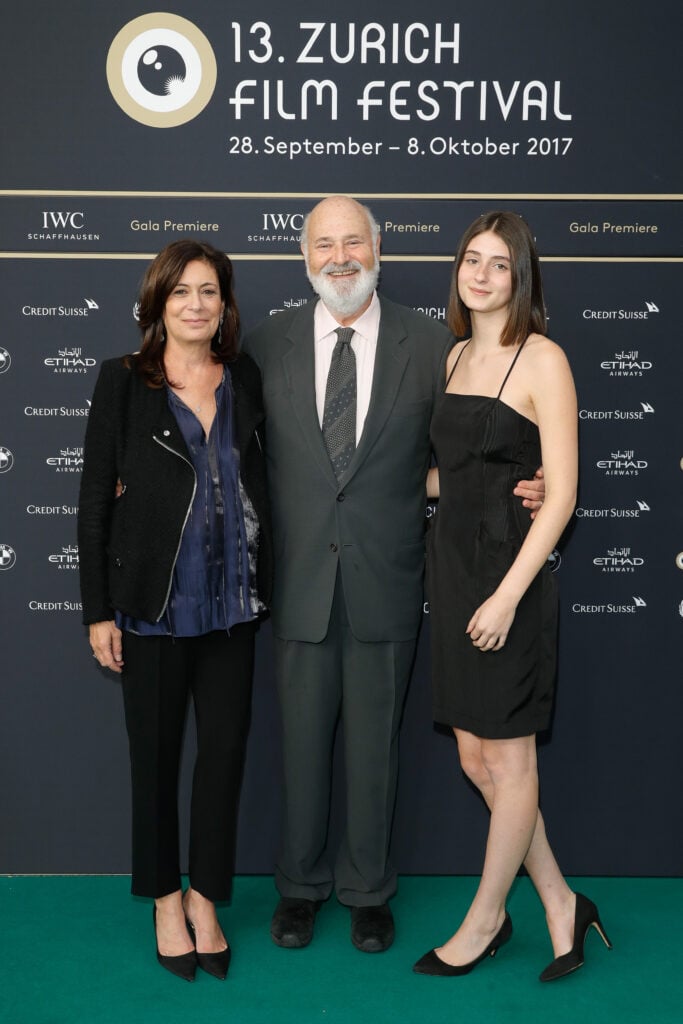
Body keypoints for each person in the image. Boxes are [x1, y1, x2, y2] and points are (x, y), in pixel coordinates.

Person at [242, 196, 544, 953]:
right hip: (300, 581)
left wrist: (518, 483)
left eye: (353, 242)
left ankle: (368, 890)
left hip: (390, 576)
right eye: (323, 245)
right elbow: (230, 449)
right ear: (302, 256)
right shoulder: (267, 342)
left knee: (376, 747)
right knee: (301, 745)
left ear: (378, 250)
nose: (339, 257)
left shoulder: (429, 343)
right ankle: (300, 887)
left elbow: (461, 450)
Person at [414, 212, 612, 981]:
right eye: (472, 260)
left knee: (510, 756)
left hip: (512, 577)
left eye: (500, 264)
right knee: (475, 756)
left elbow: (558, 495)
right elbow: (453, 476)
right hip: (453, 569)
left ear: (521, 278)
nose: (482, 274)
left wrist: (505, 597)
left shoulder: (543, 360)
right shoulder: (455, 353)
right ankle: (560, 901)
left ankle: (487, 918)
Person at [78, 240, 272, 981]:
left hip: (234, 603)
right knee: (154, 762)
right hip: (153, 609)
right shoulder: (122, 384)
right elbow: (95, 500)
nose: (196, 304)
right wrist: (99, 610)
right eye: (181, 291)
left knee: (223, 758)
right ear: (158, 303)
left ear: (225, 305)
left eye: (210, 292)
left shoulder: (245, 377)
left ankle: (207, 900)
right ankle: (164, 898)